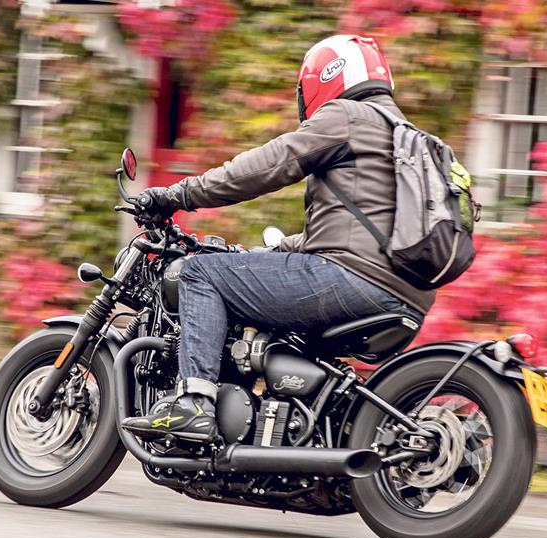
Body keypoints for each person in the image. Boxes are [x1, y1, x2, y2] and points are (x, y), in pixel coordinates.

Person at [122, 35, 434, 442]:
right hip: (409, 294)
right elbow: (353, 232)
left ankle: (194, 403)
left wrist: (175, 195)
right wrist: (272, 251)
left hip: (350, 280)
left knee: (201, 274)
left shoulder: (348, 117)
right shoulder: (409, 138)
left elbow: (266, 166)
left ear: (321, 80)